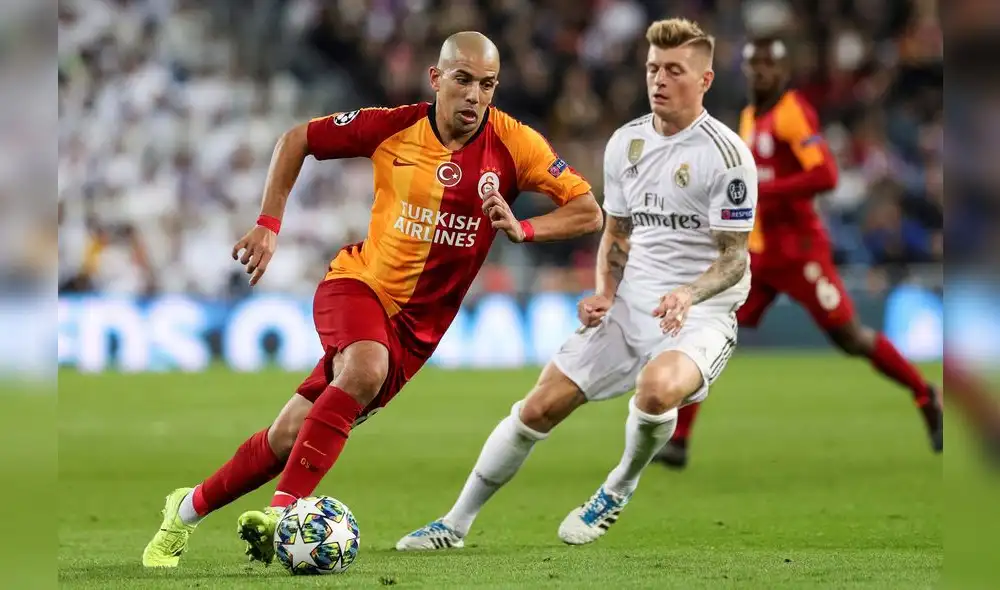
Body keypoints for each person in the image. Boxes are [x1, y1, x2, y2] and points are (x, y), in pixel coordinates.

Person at [141, 31, 604, 568]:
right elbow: (297, 140)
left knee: (290, 436)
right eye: (463, 80)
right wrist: (268, 223)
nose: (475, 96)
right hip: (358, 285)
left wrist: (525, 229)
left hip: (416, 334)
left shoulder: (515, 144)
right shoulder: (395, 126)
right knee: (365, 367)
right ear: (436, 79)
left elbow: (587, 209)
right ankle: (285, 512)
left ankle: (184, 512)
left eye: (487, 84)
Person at [395, 18, 756, 550]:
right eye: (653, 68)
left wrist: (687, 294)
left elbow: (733, 259)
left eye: (674, 70)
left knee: (657, 390)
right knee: (537, 407)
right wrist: (606, 293)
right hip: (631, 305)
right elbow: (616, 232)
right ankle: (454, 523)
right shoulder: (626, 143)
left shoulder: (728, 158)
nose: (659, 80)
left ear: (703, 81)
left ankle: (618, 486)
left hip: (699, 315)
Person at [655, 37, 943, 470]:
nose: (760, 74)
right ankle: (679, 440)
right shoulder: (751, 116)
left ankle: (926, 395)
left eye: (768, 66)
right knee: (708, 333)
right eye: (753, 66)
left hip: (800, 254)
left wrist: (764, 190)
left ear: (783, 71)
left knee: (851, 338)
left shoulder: (792, 112)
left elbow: (825, 174)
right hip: (759, 257)